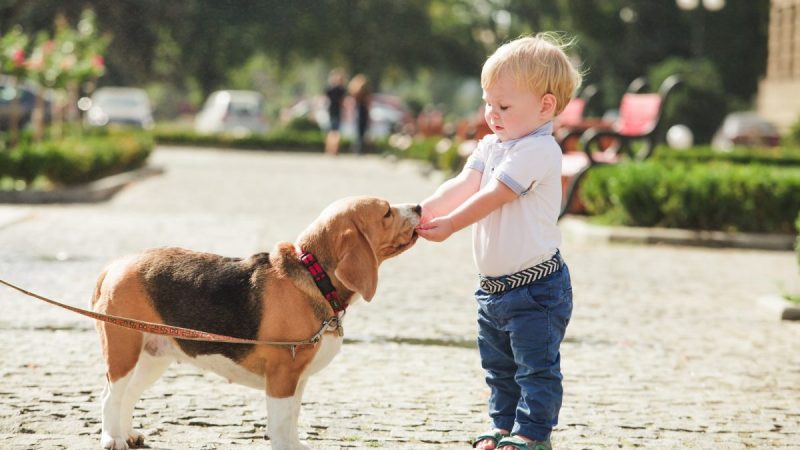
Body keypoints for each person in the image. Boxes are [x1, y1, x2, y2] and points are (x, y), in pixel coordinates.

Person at [415, 33, 581, 450]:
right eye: (488, 103)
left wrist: (451, 225)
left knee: (535, 368)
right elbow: (464, 183)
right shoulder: (492, 145)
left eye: (504, 106)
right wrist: (424, 210)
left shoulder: (540, 150)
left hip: (536, 289)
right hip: (493, 290)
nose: (492, 114)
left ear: (545, 106)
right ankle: (503, 425)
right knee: (499, 368)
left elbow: (494, 196)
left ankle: (533, 433)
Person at [324, 68, 347, 155]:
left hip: (332, 111)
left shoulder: (330, 89)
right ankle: (333, 150)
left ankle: (330, 149)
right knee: (335, 132)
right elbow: (342, 102)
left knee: (332, 131)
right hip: (335, 111)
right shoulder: (340, 90)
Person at [347, 73, 370, 154]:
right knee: (361, 132)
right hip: (362, 112)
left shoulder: (354, 91)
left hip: (358, 112)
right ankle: (358, 149)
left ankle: (357, 148)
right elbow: (367, 102)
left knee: (358, 131)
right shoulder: (363, 91)